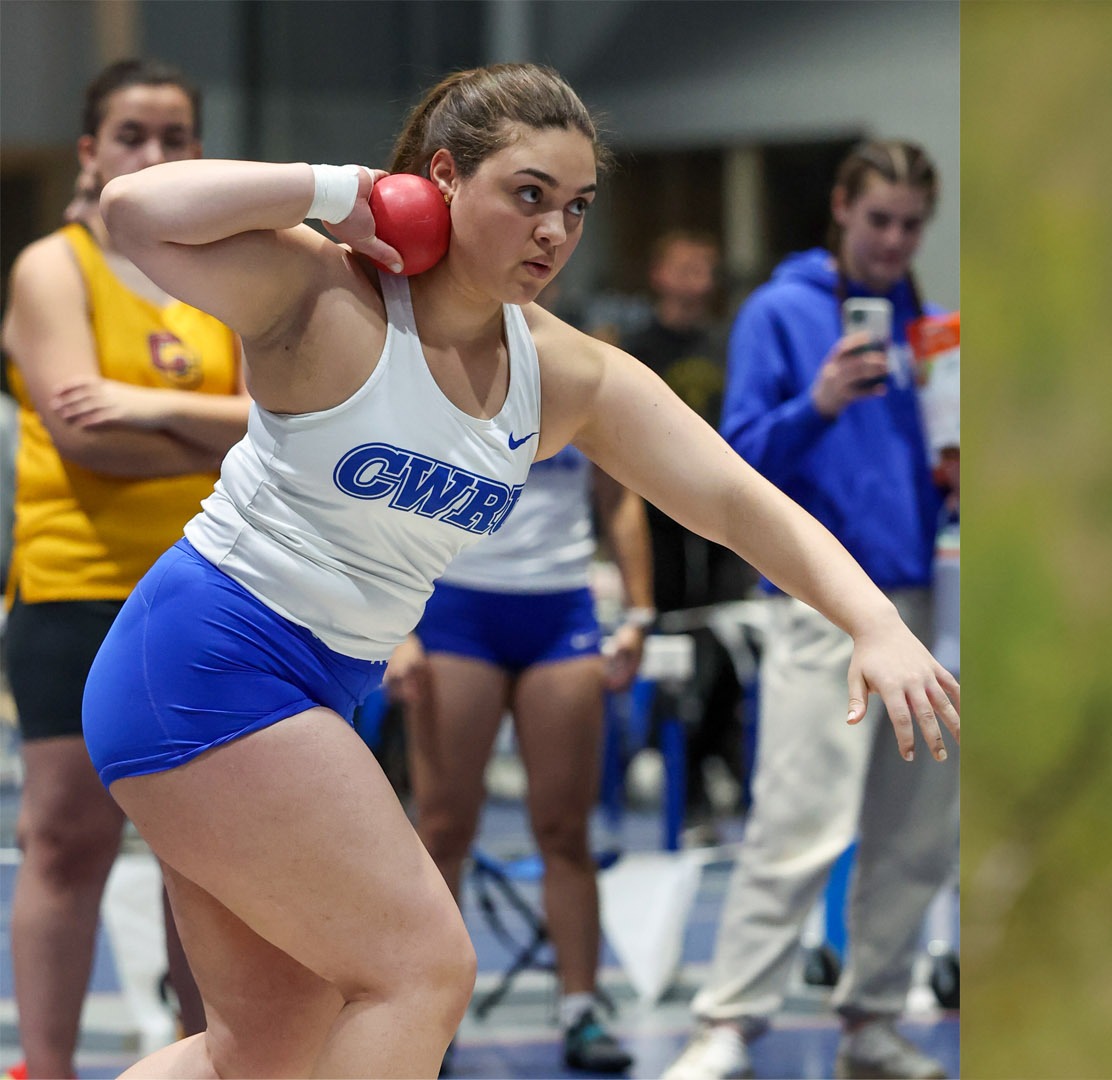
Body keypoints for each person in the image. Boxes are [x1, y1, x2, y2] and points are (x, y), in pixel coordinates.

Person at [81, 63, 958, 1078]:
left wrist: (875, 624)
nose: (555, 231)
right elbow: (136, 213)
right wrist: (344, 193)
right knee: (425, 969)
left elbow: (730, 498)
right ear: (443, 179)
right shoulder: (324, 292)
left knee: (263, 1054)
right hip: (208, 661)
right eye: (529, 195)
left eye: (577, 208)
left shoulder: (561, 372)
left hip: (316, 684)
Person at [664, 140, 956, 1080]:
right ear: (840, 208)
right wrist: (819, 401)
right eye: (879, 220)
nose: (894, 241)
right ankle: (730, 1023)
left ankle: (871, 1019)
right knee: (799, 821)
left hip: (923, 597)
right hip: (821, 602)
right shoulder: (779, 314)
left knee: (915, 828)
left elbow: (910, 465)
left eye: (912, 225)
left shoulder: (926, 324)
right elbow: (733, 461)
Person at [1, 57, 249, 1078]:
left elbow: (289, 427)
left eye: (176, 138)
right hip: (76, 587)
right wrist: (219, 433)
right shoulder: (51, 268)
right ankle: (44, 1067)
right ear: (91, 153)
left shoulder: (229, 272)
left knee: (210, 861)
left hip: (206, 590)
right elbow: (83, 434)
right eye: (134, 137)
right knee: (68, 842)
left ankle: (217, 1061)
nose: (155, 156)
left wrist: (151, 411)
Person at [394, 439, 654, 1073]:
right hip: (456, 606)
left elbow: (620, 494)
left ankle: (581, 1008)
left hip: (561, 607)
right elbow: (386, 500)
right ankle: (431, 1014)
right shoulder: (433, 365)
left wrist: (641, 612)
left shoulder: (578, 370)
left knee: (566, 829)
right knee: (443, 827)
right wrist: (397, 627)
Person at [625, 229, 755, 840]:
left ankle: (719, 758)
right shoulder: (634, 348)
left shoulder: (728, 347)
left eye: (706, 267)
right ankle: (678, 773)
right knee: (674, 644)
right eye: (685, 266)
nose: (697, 279)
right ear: (659, 275)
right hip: (658, 516)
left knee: (730, 640)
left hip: (724, 511)